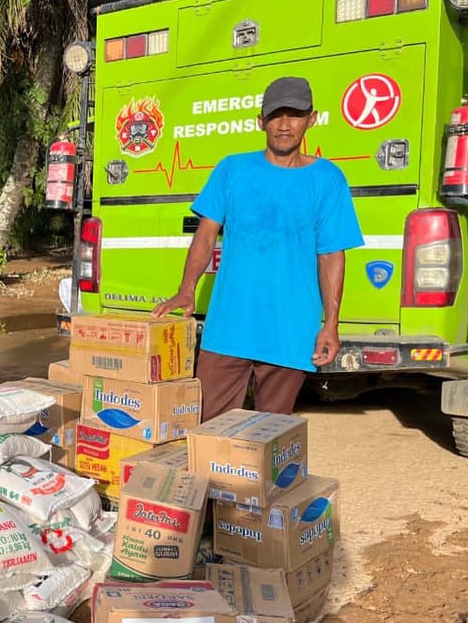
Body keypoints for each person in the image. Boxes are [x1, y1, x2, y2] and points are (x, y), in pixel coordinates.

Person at [152, 76, 363, 420]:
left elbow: (331, 254)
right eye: (276, 115)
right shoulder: (232, 170)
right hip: (229, 328)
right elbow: (205, 234)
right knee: (207, 425)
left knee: (270, 432)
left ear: (312, 119)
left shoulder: (327, 179)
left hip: (291, 330)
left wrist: (331, 323)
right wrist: (186, 288)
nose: (284, 125)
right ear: (261, 121)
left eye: (295, 115)